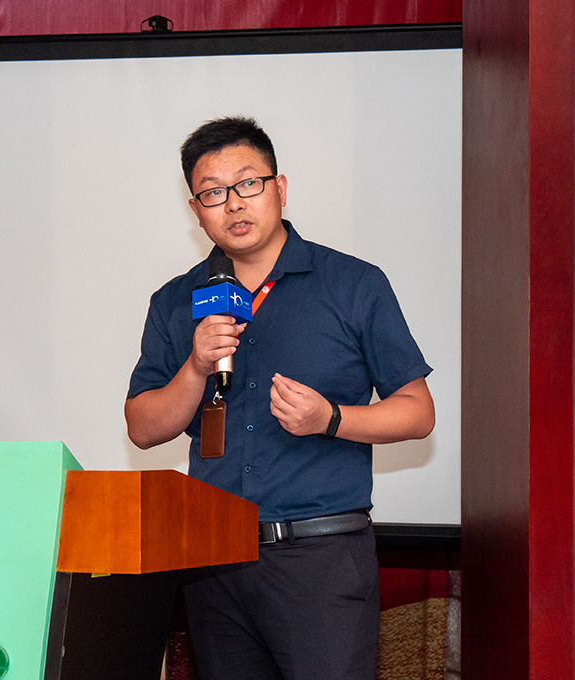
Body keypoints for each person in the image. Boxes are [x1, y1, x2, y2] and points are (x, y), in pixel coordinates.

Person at [124, 116, 435, 680]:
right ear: (196, 210)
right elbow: (143, 428)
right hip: (214, 561)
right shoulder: (176, 300)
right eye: (213, 192)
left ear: (280, 188)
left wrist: (330, 418)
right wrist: (195, 367)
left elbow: (418, 412)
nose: (234, 204)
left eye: (248, 183)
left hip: (320, 559)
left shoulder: (352, 284)